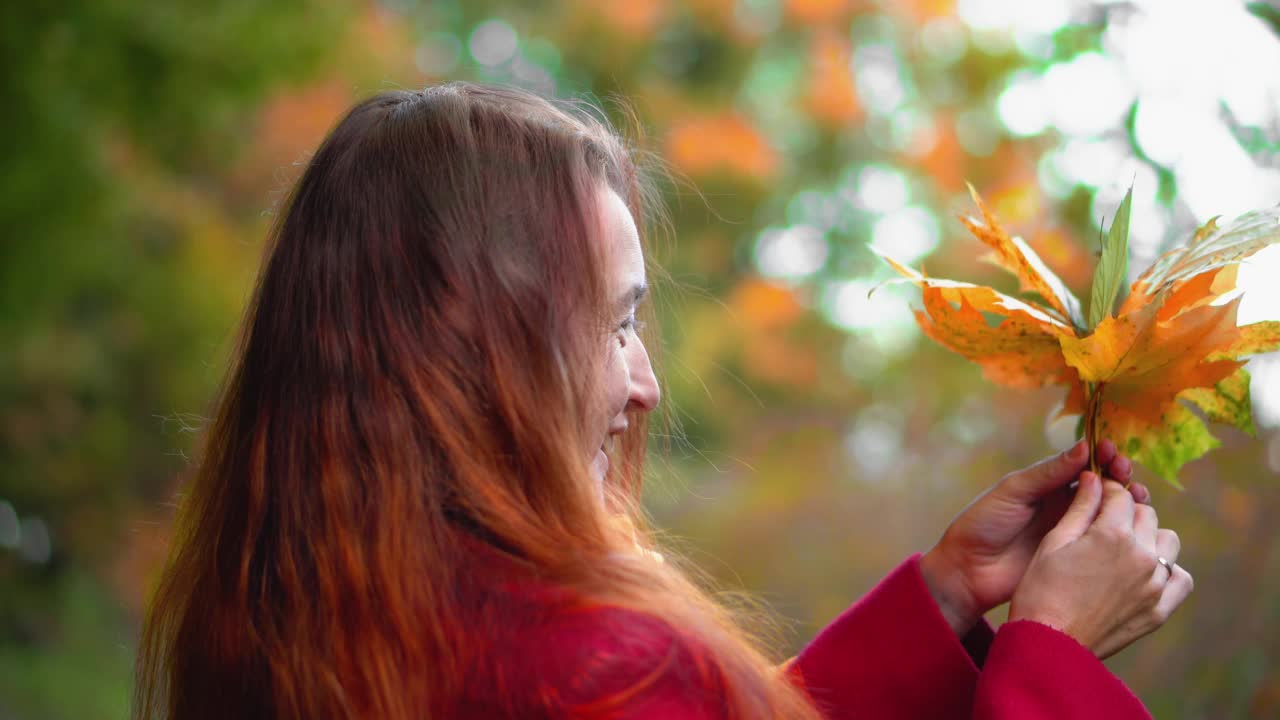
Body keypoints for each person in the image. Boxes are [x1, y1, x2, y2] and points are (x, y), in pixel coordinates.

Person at [134, 83, 1193, 719]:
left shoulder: (305, 627)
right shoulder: (587, 668)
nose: (642, 386)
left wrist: (943, 600)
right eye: (613, 324)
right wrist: (1049, 658)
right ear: (473, 351)